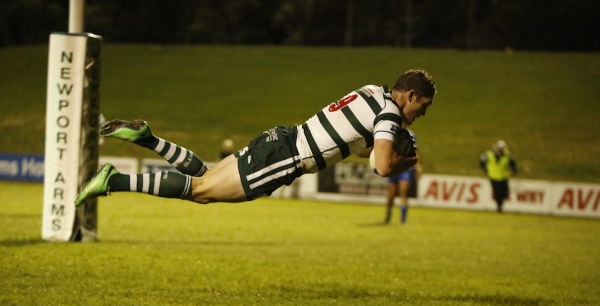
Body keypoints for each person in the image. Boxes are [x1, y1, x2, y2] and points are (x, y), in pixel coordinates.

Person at [75, 69, 436, 208]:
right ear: (410, 96)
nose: (422, 113)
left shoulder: (372, 91)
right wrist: (407, 159)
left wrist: (376, 150)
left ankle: (147, 139)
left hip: (282, 137)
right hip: (284, 159)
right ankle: (114, 180)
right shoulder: (389, 114)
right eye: (423, 106)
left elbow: (359, 147)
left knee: (204, 175)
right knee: (200, 193)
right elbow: (384, 167)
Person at [384, 130, 422, 224]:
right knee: (391, 195)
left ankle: (403, 220)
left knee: (403, 193)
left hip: (405, 169)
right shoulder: (391, 132)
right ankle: (388, 216)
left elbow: (415, 151)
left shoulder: (411, 134)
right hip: (394, 168)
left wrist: (418, 167)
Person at [479, 140, 518, 212]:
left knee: (504, 193)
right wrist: (485, 169)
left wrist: (514, 169)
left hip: (503, 176)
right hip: (493, 176)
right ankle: (499, 207)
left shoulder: (506, 154)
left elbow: (512, 161)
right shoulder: (490, 154)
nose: (502, 150)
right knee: (497, 193)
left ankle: (500, 207)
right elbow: (482, 161)